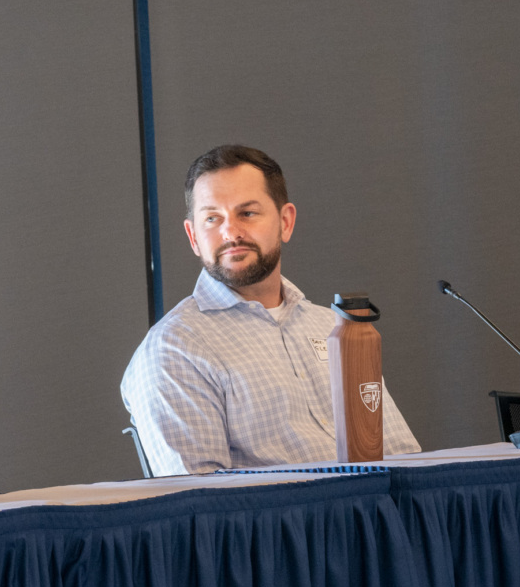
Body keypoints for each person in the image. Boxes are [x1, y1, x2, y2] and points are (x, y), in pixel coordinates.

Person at [120, 143, 421, 474]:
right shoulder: (174, 350)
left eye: (247, 213)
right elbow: (200, 505)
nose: (230, 231)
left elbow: (404, 459)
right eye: (212, 218)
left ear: (285, 222)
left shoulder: (335, 328)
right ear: (193, 237)